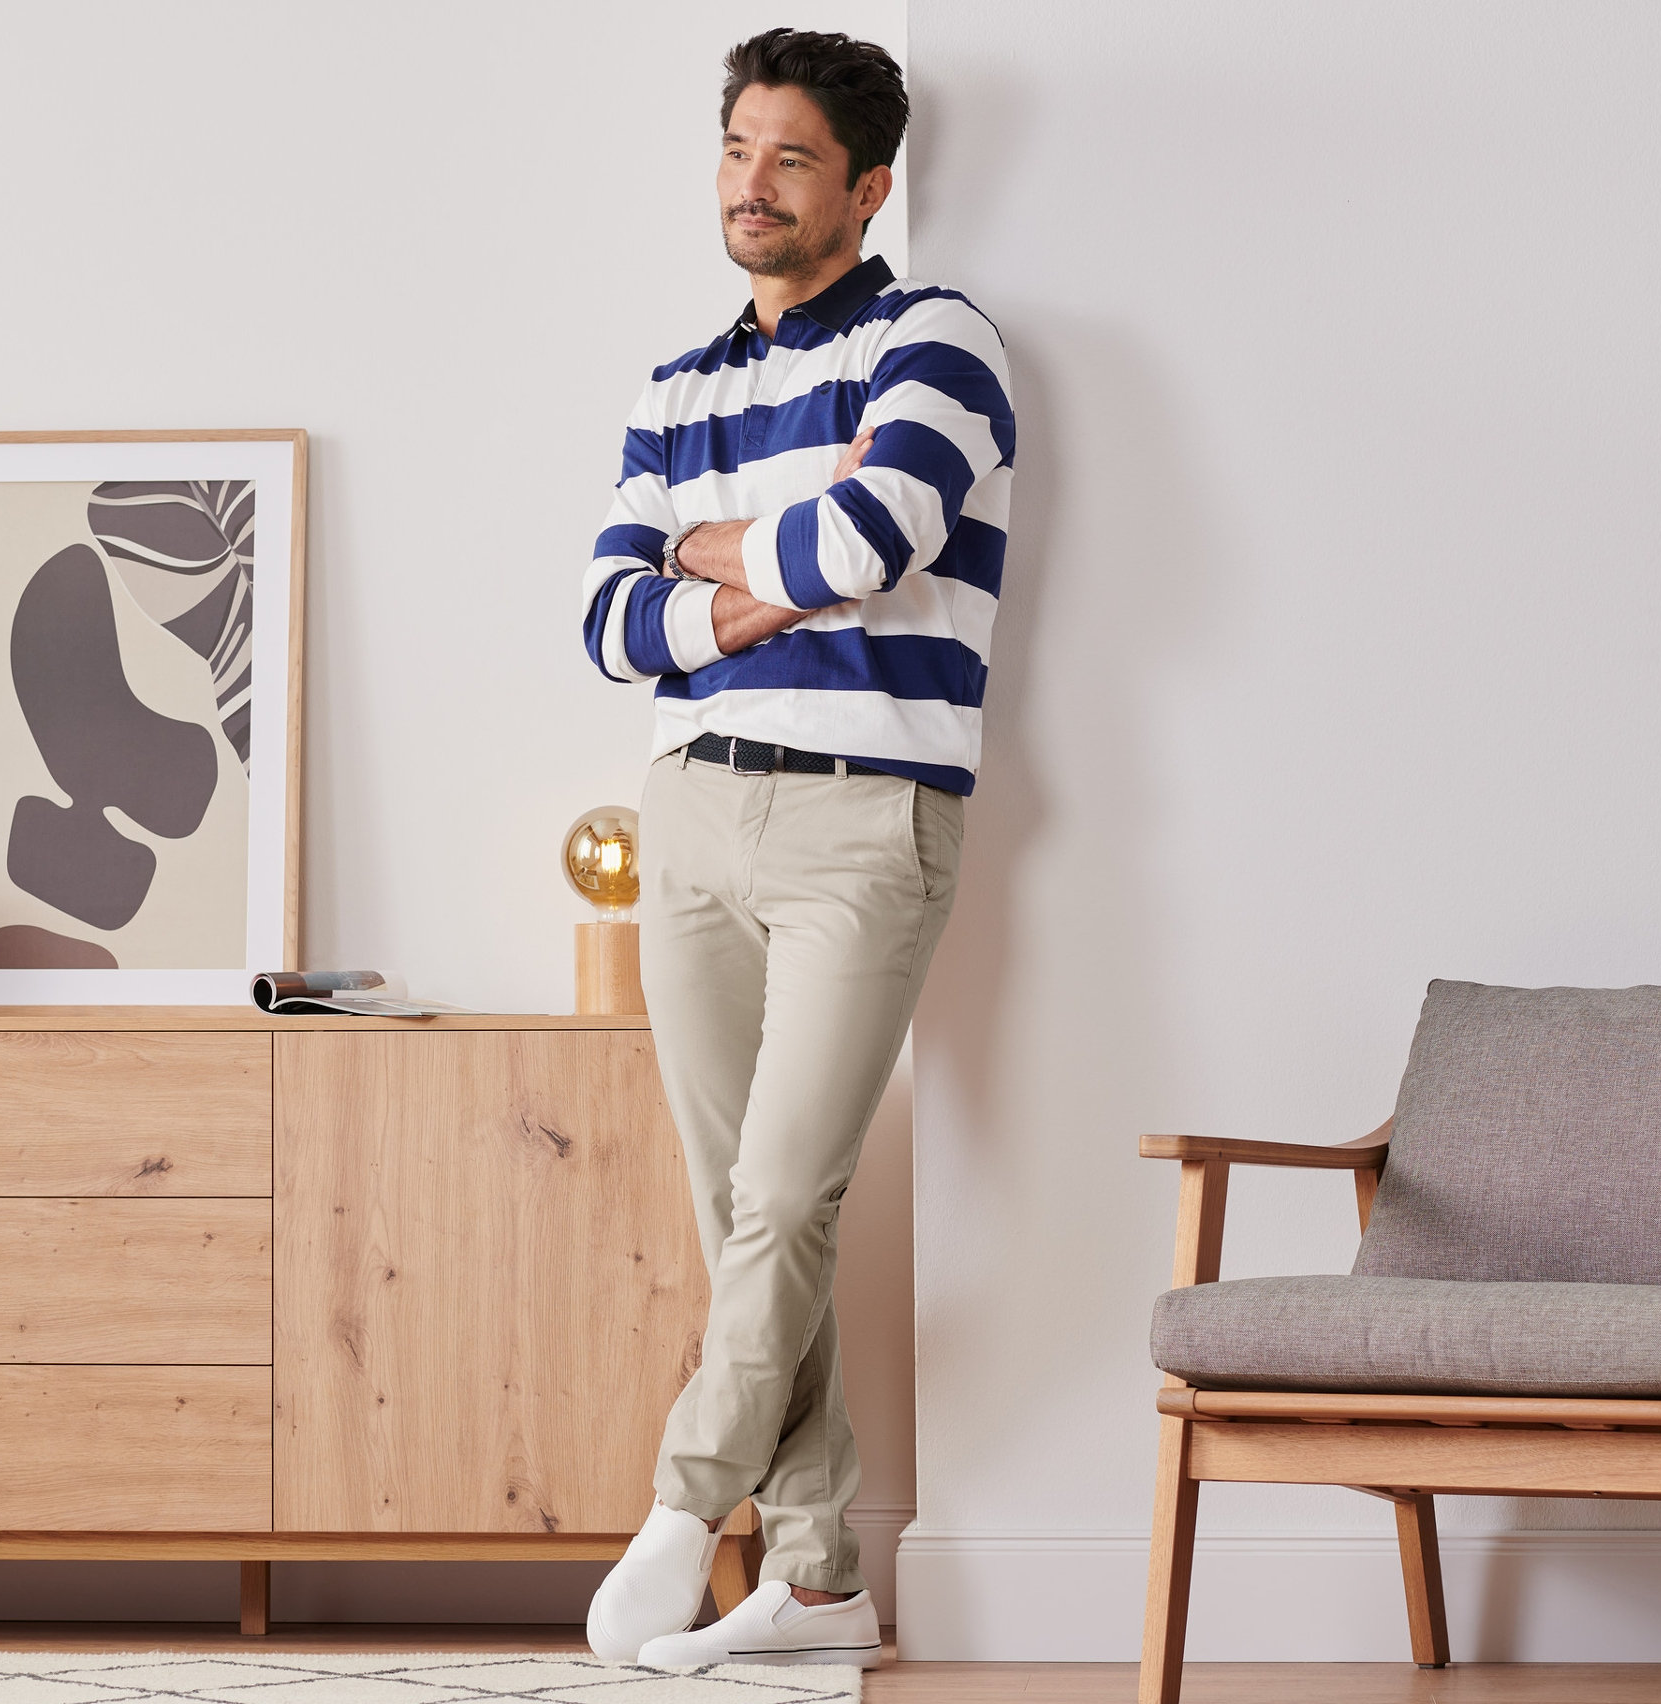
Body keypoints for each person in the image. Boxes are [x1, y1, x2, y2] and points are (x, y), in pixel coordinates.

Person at [579, 25, 1014, 1670]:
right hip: (690, 811)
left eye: (792, 160)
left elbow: (883, 529)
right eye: (737, 150)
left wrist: (710, 559)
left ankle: (689, 1508)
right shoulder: (674, 385)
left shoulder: (938, 339)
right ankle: (825, 1578)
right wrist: (771, 566)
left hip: (868, 816)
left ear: (868, 186)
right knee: (739, 1206)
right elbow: (613, 627)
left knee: (785, 1192)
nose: (752, 186)